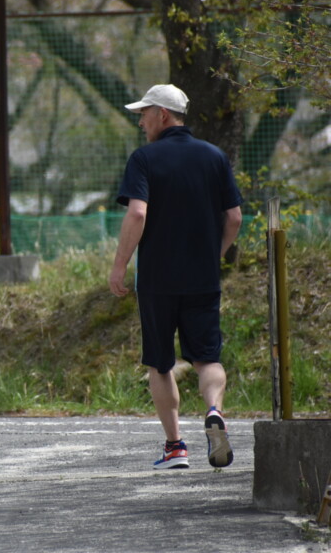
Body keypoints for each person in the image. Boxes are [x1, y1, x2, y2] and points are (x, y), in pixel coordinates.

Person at [109, 84, 243, 471]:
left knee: (160, 363)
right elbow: (233, 218)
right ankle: (214, 411)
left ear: (162, 116)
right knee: (208, 359)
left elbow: (137, 214)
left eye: (144, 113)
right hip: (202, 278)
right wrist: (212, 255)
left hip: (157, 280)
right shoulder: (214, 156)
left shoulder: (145, 159)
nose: (140, 121)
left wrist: (120, 265)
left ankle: (175, 447)